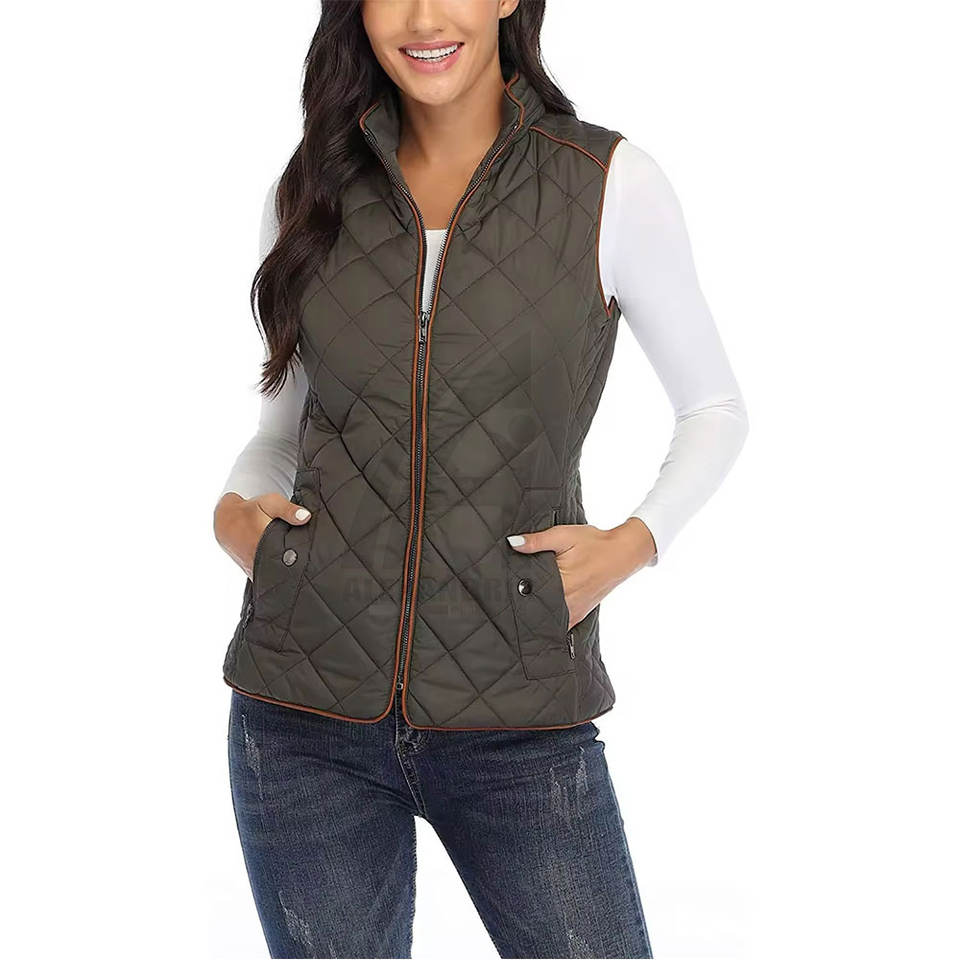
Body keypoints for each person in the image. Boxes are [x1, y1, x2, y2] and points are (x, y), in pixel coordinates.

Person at [212, 1, 748, 957]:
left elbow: (713, 409)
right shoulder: (311, 189)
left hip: (519, 720)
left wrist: (633, 544)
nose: (425, 17)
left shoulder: (606, 183)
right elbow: (280, 430)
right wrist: (233, 513)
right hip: (301, 716)